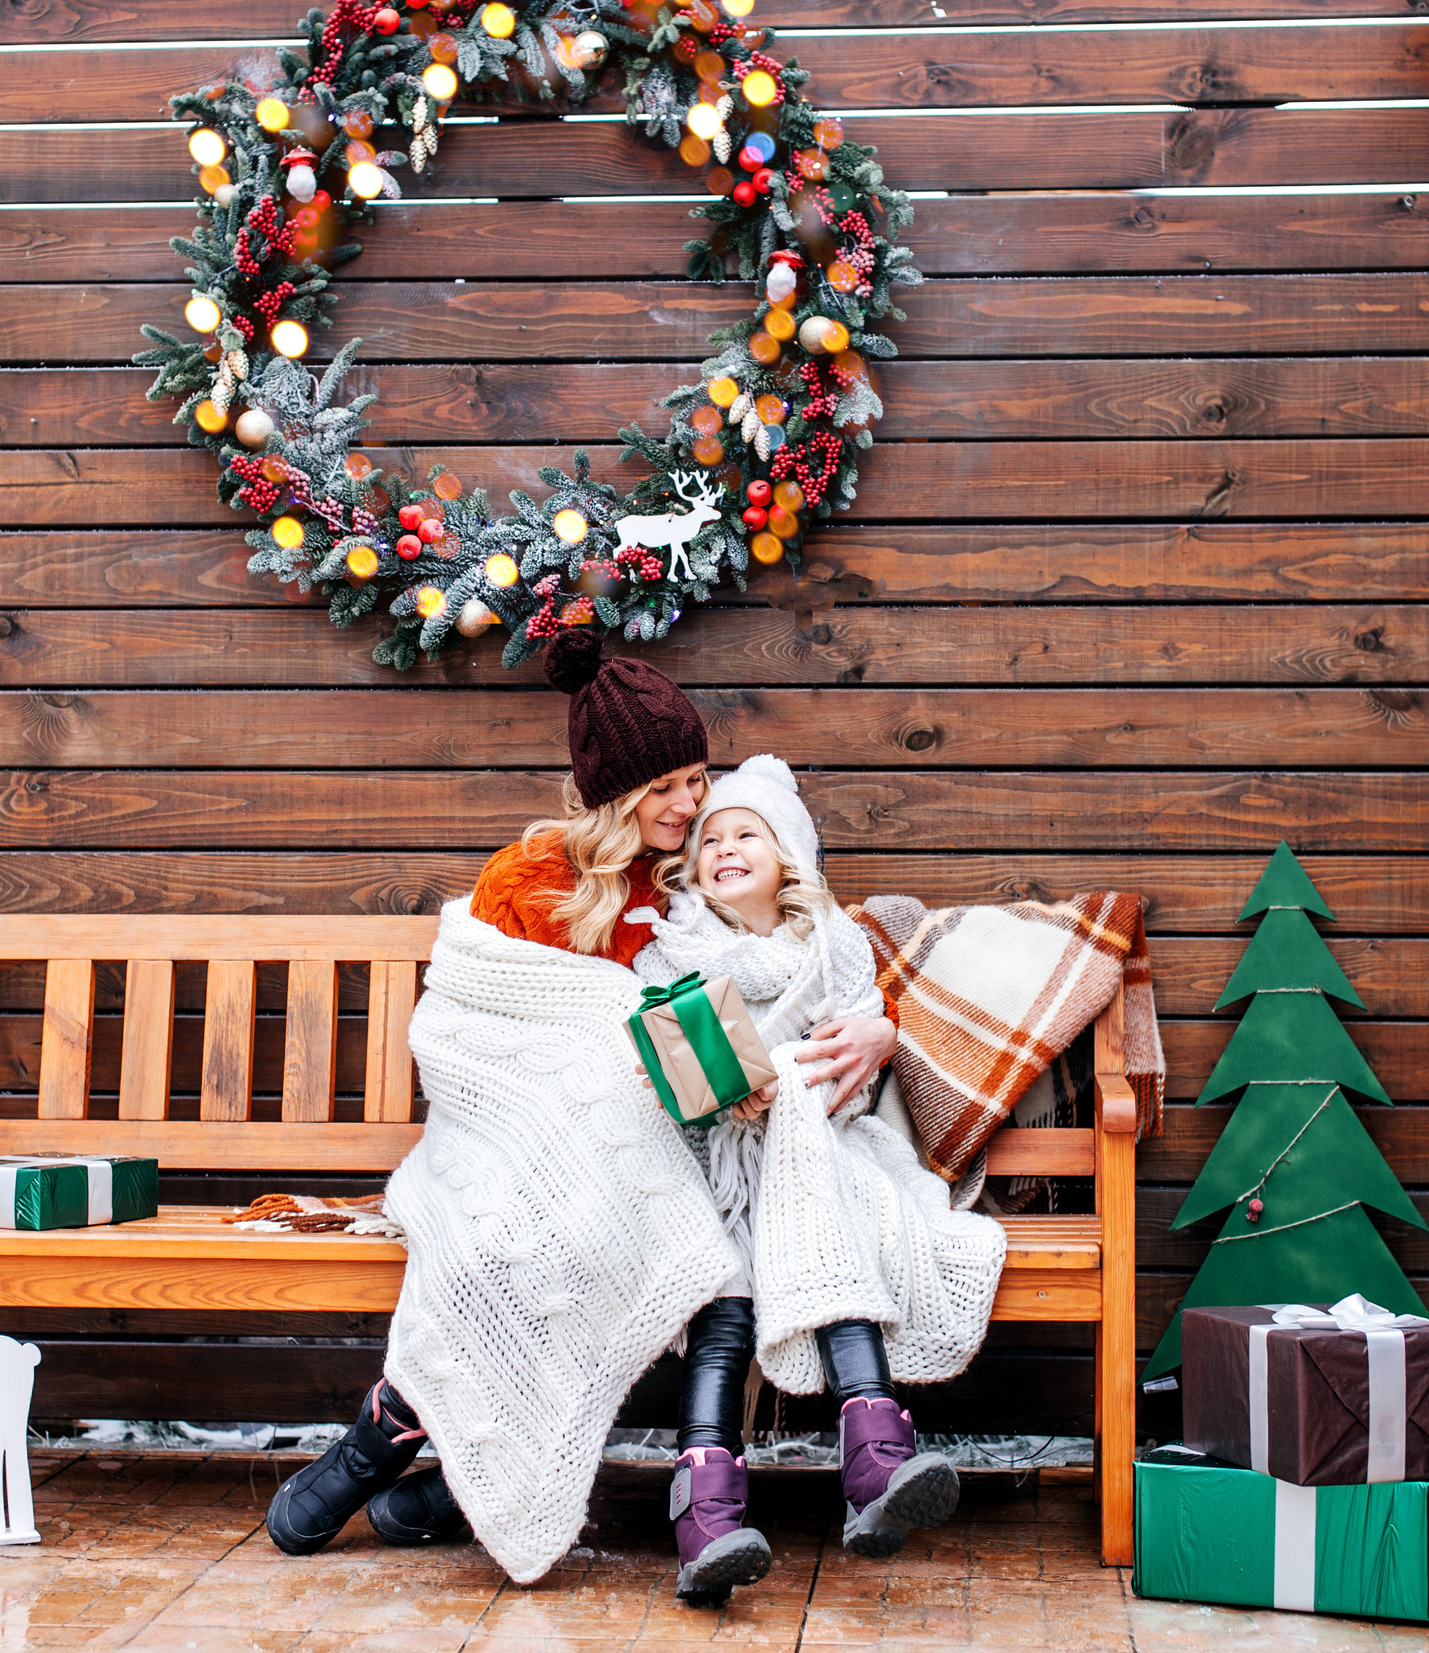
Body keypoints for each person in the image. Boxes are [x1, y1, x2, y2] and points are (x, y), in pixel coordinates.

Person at [262, 632, 900, 1598]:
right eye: (670, 788)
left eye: (697, 782)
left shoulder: (685, 888)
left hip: (648, 1150)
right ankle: (376, 1445)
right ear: (616, 793)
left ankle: (470, 1483)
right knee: (498, 1249)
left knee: (639, 1245)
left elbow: (777, 980)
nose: (693, 807)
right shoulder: (525, 880)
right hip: (510, 1140)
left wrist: (874, 1033)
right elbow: (466, 1031)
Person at [632, 756, 1010, 1594]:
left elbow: (859, 1063)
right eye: (711, 838)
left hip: (824, 1156)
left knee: (840, 1232)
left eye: (747, 834)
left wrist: (824, 1066)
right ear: (692, 864)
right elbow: (672, 1068)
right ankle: (706, 1515)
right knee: (723, 1303)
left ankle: (877, 1460)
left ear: (789, 855)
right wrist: (733, 1088)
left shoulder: (832, 945)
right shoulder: (672, 951)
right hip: (720, 1170)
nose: (725, 847)